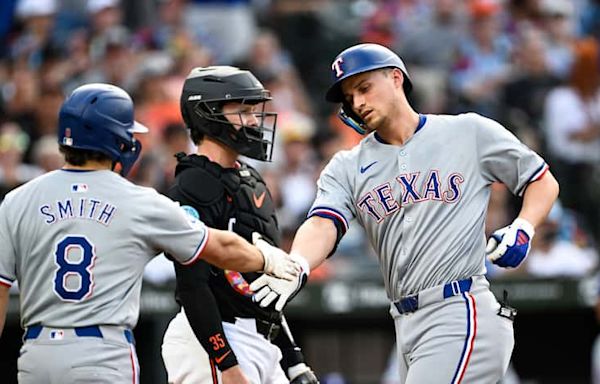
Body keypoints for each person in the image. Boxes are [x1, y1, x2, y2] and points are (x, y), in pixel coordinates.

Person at [250, 43, 560, 383]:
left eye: (365, 88)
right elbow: (324, 223)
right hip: (405, 322)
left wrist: (524, 227)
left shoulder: (467, 131)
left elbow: (541, 180)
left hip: (461, 308)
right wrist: (299, 262)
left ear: (396, 78)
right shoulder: (347, 166)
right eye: (350, 97)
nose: (358, 103)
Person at [0, 83, 300, 384]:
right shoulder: (138, 201)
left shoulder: (18, 200)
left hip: (37, 353)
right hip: (102, 353)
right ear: (115, 139)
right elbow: (218, 247)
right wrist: (266, 258)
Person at [161, 66, 317, 384]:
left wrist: (293, 359)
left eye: (253, 111)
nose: (253, 120)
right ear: (207, 113)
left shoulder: (251, 180)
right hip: (213, 337)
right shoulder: (193, 184)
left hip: (262, 338)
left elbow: (262, 286)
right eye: (242, 110)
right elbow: (192, 286)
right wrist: (227, 364)